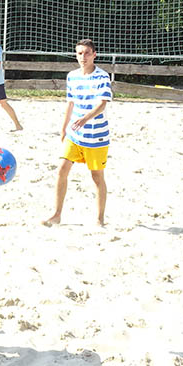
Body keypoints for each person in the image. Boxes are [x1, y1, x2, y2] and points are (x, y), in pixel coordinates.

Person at [43, 39, 112, 227]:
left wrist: (85, 119)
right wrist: (64, 126)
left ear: (94, 55)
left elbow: (102, 103)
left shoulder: (102, 77)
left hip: (96, 136)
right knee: (62, 170)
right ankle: (57, 214)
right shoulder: (72, 76)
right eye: (80, 53)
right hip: (75, 134)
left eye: (87, 53)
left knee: (97, 177)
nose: (83, 56)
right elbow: (70, 103)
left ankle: (100, 219)